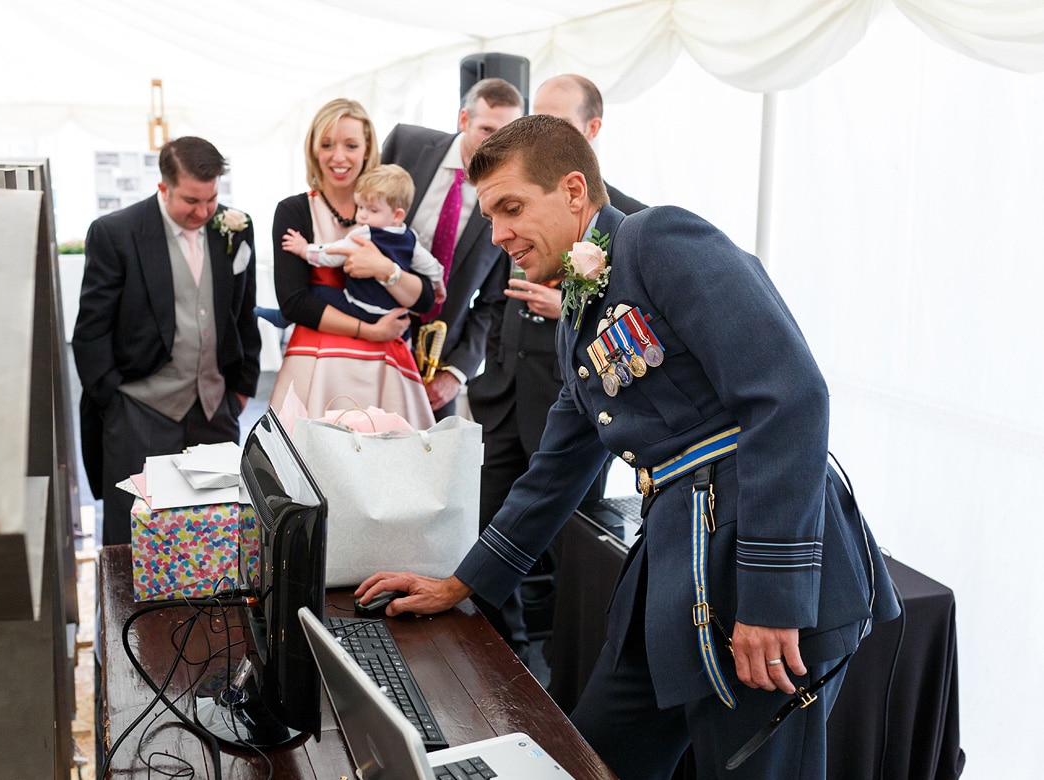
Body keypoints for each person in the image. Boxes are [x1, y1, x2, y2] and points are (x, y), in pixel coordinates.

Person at [357, 115, 900, 778]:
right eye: (490, 215)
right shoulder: (581, 303)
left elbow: (790, 396)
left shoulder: (658, 238)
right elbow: (556, 468)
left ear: (576, 191)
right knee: (590, 758)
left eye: (511, 208)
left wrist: (771, 599)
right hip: (677, 573)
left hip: (754, 572)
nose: (496, 235)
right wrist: (463, 583)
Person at [466, 74, 647, 657]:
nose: (498, 235)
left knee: (575, 548)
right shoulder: (523, 222)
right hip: (506, 395)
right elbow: (490, 299)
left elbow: (790, 397)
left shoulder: (645, 230)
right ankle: (507, 659)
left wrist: (565, 303)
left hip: (573, 407)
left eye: (557, 125)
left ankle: (566, 666)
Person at [73, 136, 260, 546]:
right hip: (142, 404)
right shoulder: (117, 232)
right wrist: (114, 398)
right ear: (164, 187)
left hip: (215, 404)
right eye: (192, 200)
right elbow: (91, 327)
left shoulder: (236, 227)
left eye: (211, 199)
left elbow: (244, 311)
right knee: (136, 532)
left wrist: (243, 386)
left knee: (217, 530)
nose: (204, 211)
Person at [269, 99, 436, 429]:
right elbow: (293, 302)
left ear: (367, 150)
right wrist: (370, 330)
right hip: (317, 364)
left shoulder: (391, 210)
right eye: (327, 145)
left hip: (384, 367)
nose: (339, 157)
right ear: (314, 150)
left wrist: (384, 270)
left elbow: (425, 299)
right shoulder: (294, 210)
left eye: (351, 145)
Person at [381, 77, 524, 419]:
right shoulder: (405, 144)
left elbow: (494, 302)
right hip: (371, 336)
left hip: (436, 365)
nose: (498, 144)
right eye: (487, 129)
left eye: (508, 133)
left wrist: (456, 372)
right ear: (463, 120)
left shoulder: (513, 196)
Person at [280, 163, 445, 322]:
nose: (362, 216)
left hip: (362, 308)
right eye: (360, 207)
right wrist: (438, 284)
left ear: (397, 215)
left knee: (316, 291)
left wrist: (304, 249)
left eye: (372, 210)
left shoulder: (365, 235)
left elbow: (333, 253)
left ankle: (282, 319)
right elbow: (429, 264)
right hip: (391, 311)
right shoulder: (410, 237)